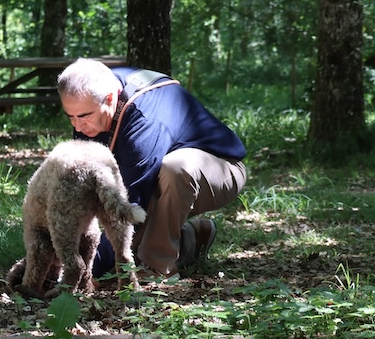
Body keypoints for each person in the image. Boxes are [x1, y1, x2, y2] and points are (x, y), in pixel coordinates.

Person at [56, 58, 247, 278]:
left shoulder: (143, 122)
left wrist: (86, 266)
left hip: (219, 169)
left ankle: (156, 268)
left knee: (174, 170)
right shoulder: (93, 90)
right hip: (154, 174)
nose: (77, 126)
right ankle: (191, 238)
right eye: (69, 116)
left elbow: (129, 207)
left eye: (84, 116)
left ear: (109, 99)